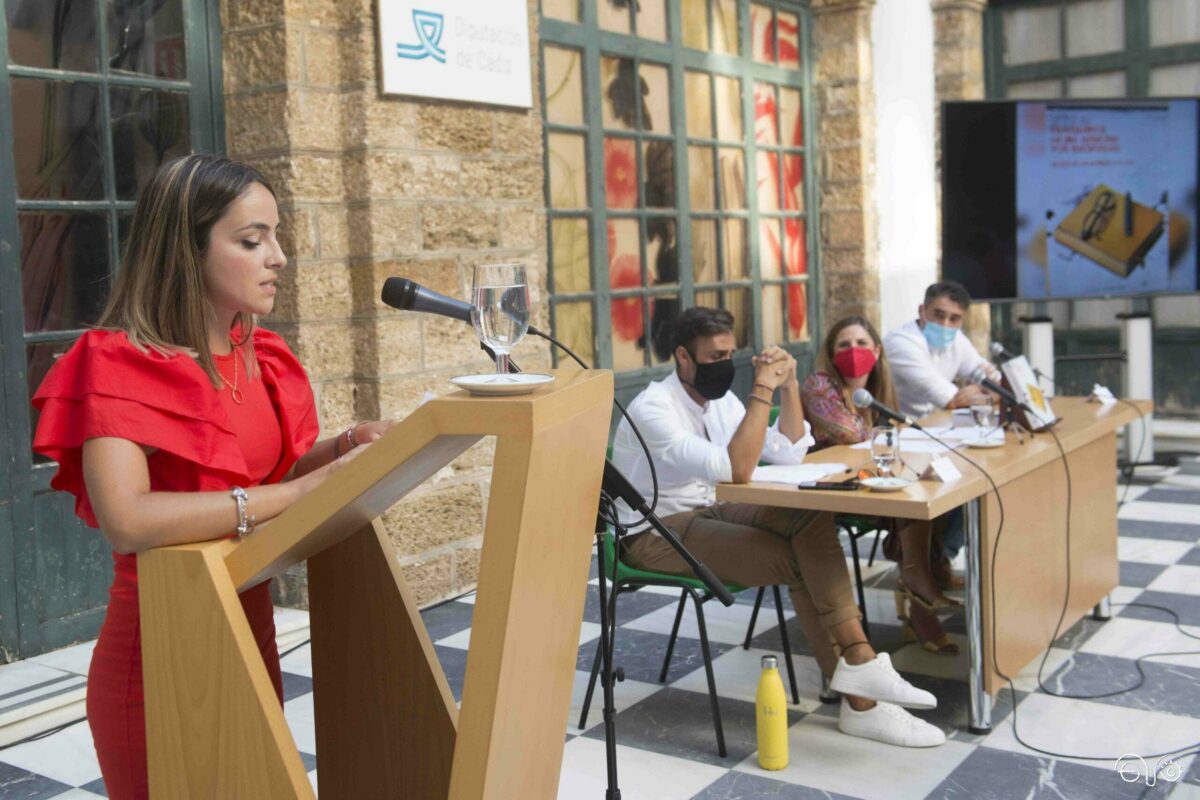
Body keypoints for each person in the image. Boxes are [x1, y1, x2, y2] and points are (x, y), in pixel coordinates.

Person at [31, 155, 395, 799]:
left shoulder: (264, 357)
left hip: (250, 630)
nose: (277, 256)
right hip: (159, 652)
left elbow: (267, 477)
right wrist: (298, 492)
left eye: (276, 236)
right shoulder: (117, 362)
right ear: (185, 249)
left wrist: (345, 448)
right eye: (252, 241)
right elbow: (129, 519)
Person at [610, 307, 945, 748]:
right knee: (797, 559)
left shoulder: (719, 402)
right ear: (683, 357)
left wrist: (788, 386)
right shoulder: (654, 407)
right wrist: (762, 388)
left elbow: (787, 452)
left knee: (810, 514)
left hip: (713, 510)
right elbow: (735, 468)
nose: (725, 364)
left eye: (730, 353)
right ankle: (861, 694)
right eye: (714, 356)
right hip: (654, 533)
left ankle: (859, 673)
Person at [801, 315, 962, 656]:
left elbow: (890, 438)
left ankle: (919, 587)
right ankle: (920, 588)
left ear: (876, 351)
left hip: (869, 481)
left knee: (932, 493)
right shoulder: (819, 384)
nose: (853, 351)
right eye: (844, 344)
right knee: (911, 499)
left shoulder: (877, 389)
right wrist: (884, 430)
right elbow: (846, 433)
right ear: (831, 353)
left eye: (861, 344)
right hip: (828, 490)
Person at [883, 281, 998, 570]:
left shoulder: (956, 340)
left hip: (936, 436)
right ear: (922, 311)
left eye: (954, 318)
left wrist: (986, 390)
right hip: (897, 440)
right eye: (938, 315)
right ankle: (930, 562)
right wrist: (983, 392)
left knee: (985, 470)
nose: (946, 324)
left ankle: (938, 558)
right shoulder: (902, 342)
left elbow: (996, 381)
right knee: (967, 473)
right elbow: (950, 399)